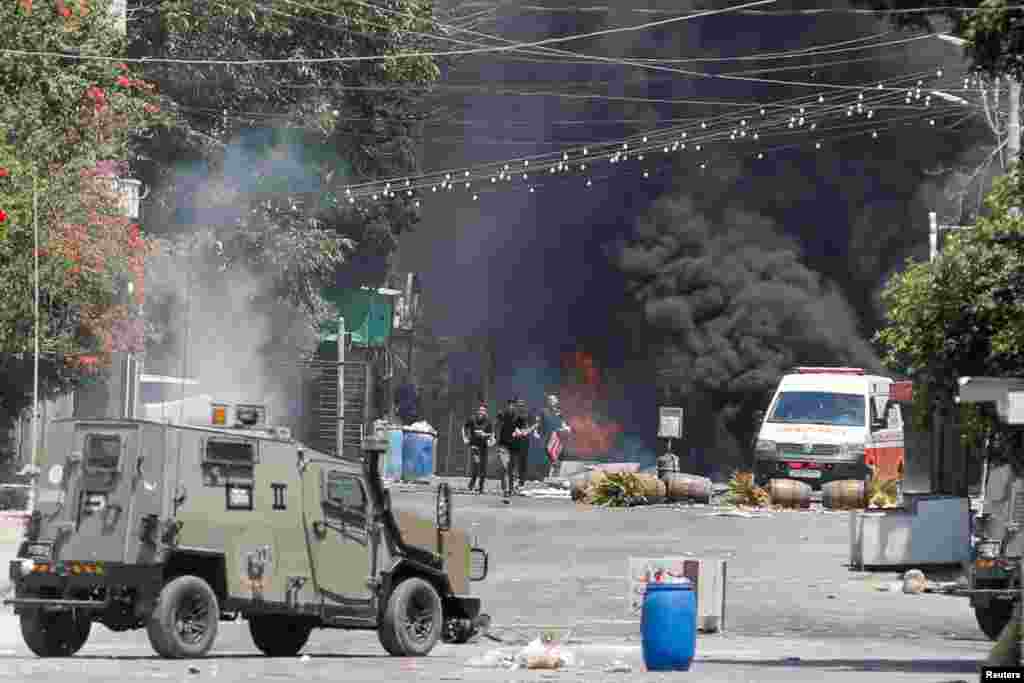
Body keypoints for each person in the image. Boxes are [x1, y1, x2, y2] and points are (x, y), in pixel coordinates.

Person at [536, 393, 572, 480]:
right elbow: (537, 423)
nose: (552, 401)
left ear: (557, 401)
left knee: (557, 457)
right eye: (550, 400)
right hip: (546, 437)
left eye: (553, 399)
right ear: (547, 402)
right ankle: (546, 477)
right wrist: (535, 432)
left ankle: (555, 477)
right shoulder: (543, 411)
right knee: (548, 457)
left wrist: (566, 428)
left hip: (558, 438)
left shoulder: (559, 412)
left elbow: (564, 423)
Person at [495, 397, 524, 499]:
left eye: (513, 404)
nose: (511, 406)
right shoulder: (502, 414)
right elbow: (496, 425)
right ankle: (506, 490)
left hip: (515, 447)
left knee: (512, 469)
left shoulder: (520, 417)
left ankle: (512, 488)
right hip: (503, 445)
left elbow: (523, 431)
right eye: (509, 404)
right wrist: (493, 437)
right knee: (504, 467)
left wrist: (519, 432)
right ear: (507, 405)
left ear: (515, 406)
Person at [462, 403, 494, 494]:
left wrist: (485, 435)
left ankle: (481, 487)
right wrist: (465, 438)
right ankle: (471, 485)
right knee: (476, 464)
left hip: (483, 446)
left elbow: (491, 434)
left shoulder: (488, 421)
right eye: (480, 410)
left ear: (485, 412)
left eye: (483, 411)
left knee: (483, 467)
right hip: (474, 446)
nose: (481, 412)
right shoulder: (472, 419)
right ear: (478, 411)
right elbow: (464, 427)